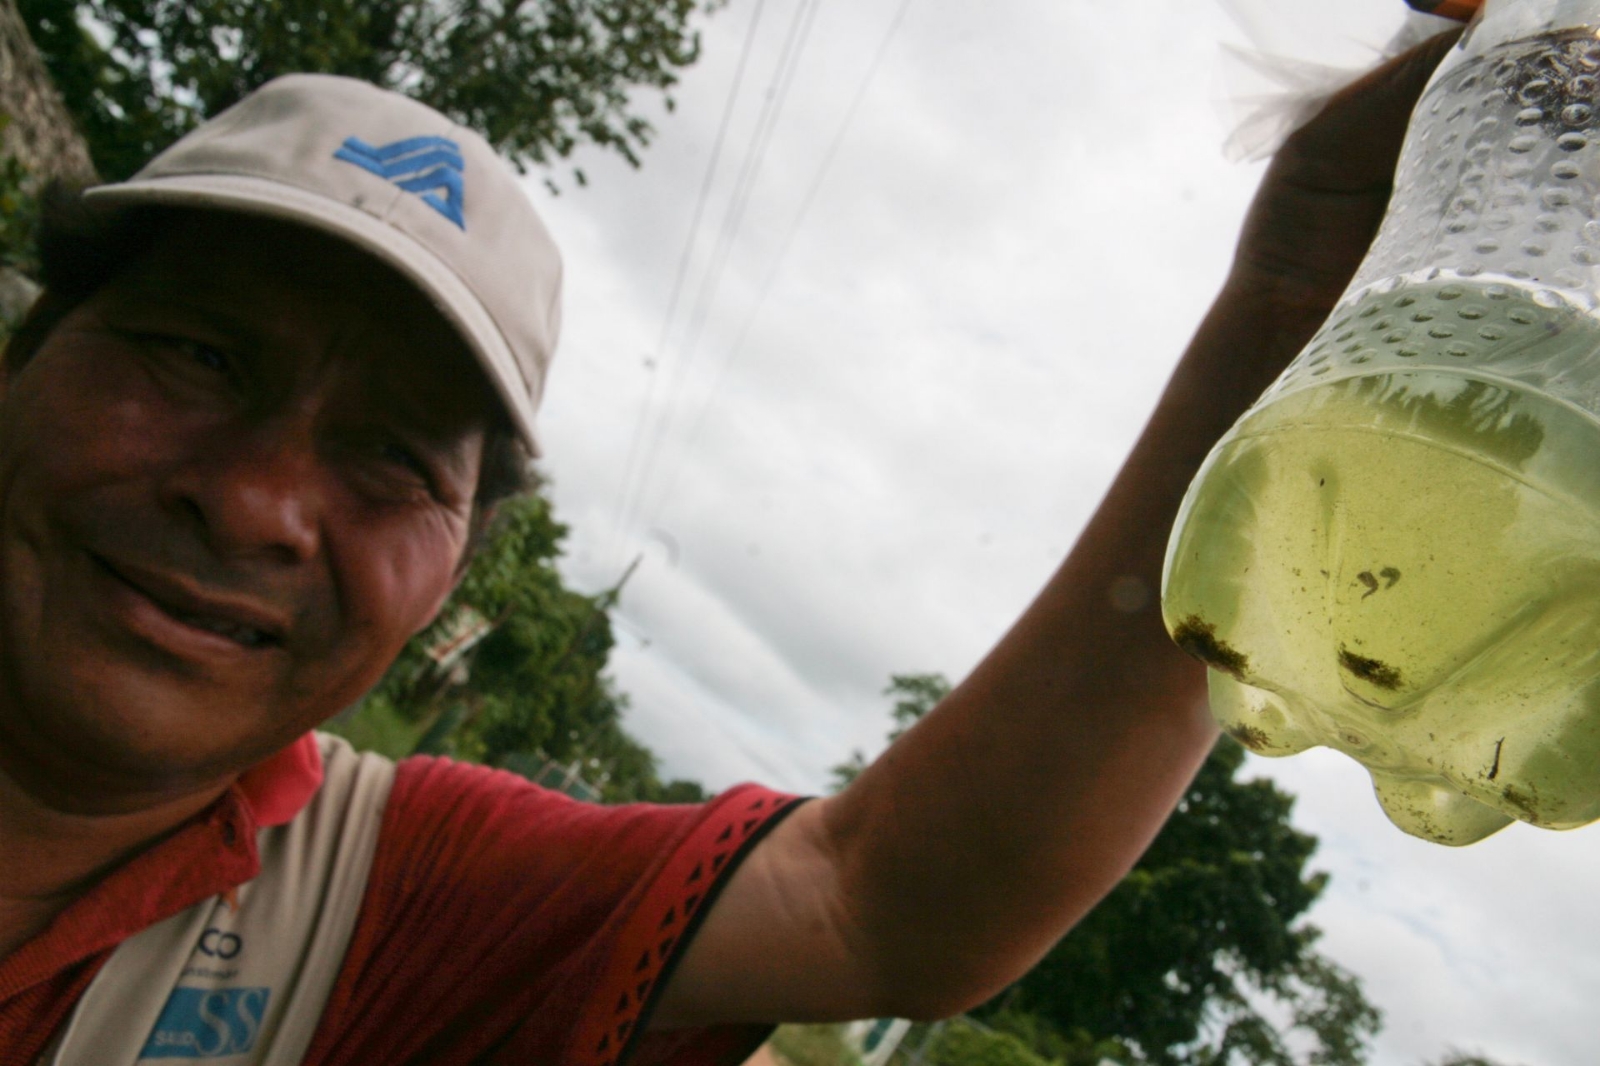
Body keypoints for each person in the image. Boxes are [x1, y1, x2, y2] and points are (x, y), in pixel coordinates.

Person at [0, 26, 1460, 1066]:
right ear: (31, 348)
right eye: (195, 355)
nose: (257, 501)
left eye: (389, 457)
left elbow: (875, 900)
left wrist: (1289, 310)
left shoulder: (388, 889)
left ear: (454, 568)